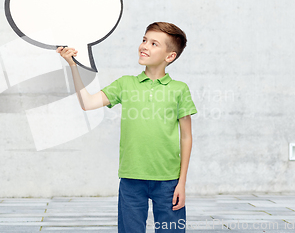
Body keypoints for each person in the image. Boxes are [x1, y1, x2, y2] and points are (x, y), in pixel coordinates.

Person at [56, 22, 197, 232]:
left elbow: (186, 137)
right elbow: (87, 103)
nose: (144, 46)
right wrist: (72, 65)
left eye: (153, 43)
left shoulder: (179, 90)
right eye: (144, 40)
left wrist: (181, 183)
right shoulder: (125, 84)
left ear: (170, 56)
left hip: (168, 180)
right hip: (131, 178)